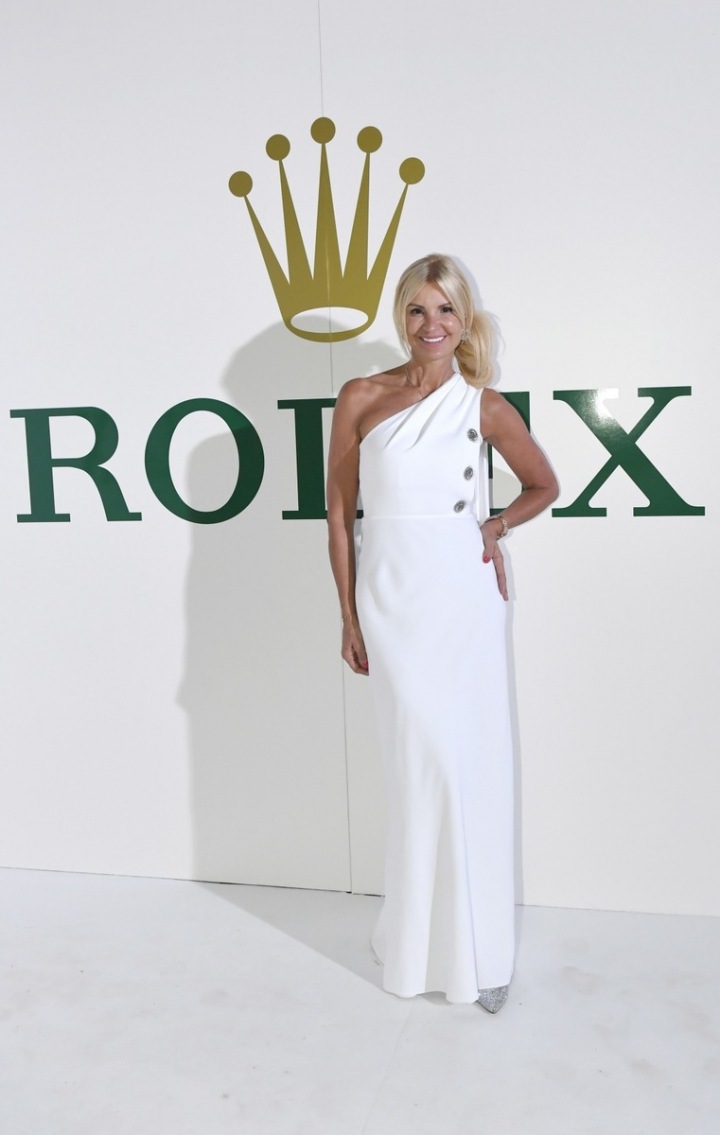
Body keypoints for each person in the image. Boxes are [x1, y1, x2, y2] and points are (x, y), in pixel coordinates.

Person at [326, 253, 558, 1012]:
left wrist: (494, 525)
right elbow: (340, 513)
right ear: (402, 315)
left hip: (463, 598)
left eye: (446, 310)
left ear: (465, 320)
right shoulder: (361, 396)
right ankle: (419, 935)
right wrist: (349, 614)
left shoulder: (482, 405)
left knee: (466, 765)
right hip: (391, 599)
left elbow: (544, 484)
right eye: (419, 310)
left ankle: (476, 949)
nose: (432, 325)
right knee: (417, 763)